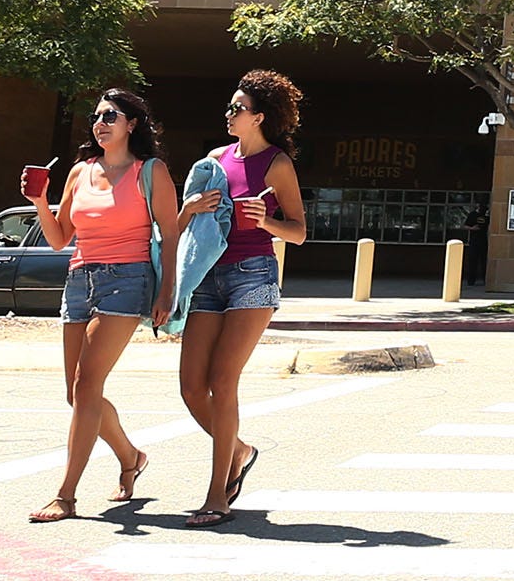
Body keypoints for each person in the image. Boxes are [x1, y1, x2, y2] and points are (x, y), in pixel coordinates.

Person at [24, 87, 178, 523]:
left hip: (127, 280)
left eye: (111, 116)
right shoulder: (80, 171)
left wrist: (166, 292)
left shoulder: (151, 171)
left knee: (87, 384)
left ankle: (66, 495)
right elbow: (59, 239)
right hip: (79, 279)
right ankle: (131, 457)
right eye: (97, 116)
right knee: (76, 394)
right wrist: (40, 202)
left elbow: (170, 234)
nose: (100, 123)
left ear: (132, 124)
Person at [176, 69, 309, 528]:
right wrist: (189, 208)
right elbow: (183, 226)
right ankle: (239, 450)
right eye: (230, 106)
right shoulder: (215, 159)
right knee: (191, 387)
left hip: (252, 275)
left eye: (238, 108)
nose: (229, 113)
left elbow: (299, 232)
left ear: (259, 117)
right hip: (207, 276)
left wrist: (266, 221)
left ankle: (217, 495)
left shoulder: (277, 165)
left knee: (222, 380)